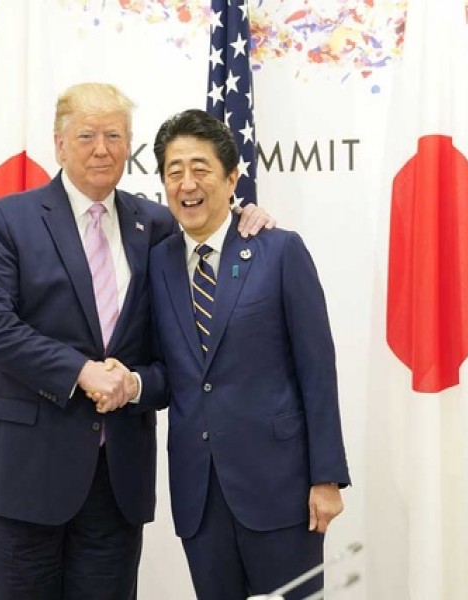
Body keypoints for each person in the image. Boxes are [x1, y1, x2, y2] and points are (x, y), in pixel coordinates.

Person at [0, 83, 274, 600]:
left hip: (117, 478)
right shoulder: (8, 219)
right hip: (21, 471)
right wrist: (82, 372)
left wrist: (245, 218)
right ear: (58, 144)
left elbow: (182, 353)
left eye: (114, 136)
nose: (101, 148)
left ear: (130, 145)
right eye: (86, 135)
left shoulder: (161, 225)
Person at [139, 108, 351, 600]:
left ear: (232, 177)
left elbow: (317, 368)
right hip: (200, 493)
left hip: (282, 489)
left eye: (201, 168)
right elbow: (167, 369)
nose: (187, 183)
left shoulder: (279, 251)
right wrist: (129, 383)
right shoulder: (159, 264)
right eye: (174, 171)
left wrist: (327, 477)